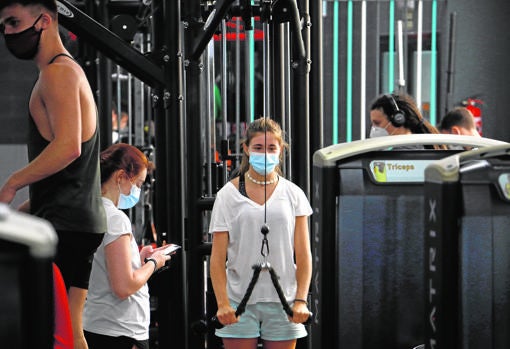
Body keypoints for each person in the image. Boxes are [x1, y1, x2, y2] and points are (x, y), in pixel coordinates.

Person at [0, 1, 107, 348]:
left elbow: (68, 148)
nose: (8, 33)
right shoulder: (67, 71)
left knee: (49, 334)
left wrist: (13, 183)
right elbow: (70, 172)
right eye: (3, 26)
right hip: (80, 222)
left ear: (44, 21)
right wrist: (27, 210)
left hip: (66, 225)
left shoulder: (57, 73)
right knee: (72, 334)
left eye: (14, 22)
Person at [209, 117, 313, 349]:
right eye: (257, 147)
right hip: (238, 301)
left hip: (284, 301)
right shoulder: (228, 195)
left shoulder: (294, 194)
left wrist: (300, 300)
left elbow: (304, 255)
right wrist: (223, 303)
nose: (264, 153)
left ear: (280, 151)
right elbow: (217, 258)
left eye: (270, 148)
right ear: (246, 148)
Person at [83, 143, 171, 349]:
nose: (138, 191)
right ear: (121, 177)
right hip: (121, 330)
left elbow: (107, 268)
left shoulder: (93, 211)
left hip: (100, 324)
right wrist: (153, 263)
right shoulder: (116, 219)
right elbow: (123, 287)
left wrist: (137, 261)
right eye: (138, 184)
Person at [369, 93, 447, 150]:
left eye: (377, 123)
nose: (374, 128)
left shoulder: (399, 155)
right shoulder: (420, 146)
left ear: (398, 120)